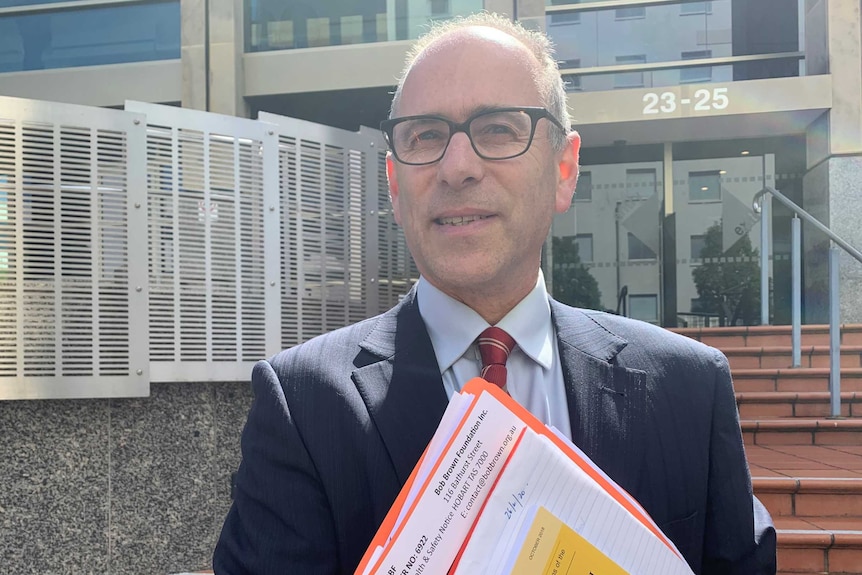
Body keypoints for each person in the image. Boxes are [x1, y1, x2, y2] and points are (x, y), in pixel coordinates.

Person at [213, 12, 776, 575]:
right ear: (394, 182)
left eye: (498, 129)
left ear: (564, 168)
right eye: (425, 135)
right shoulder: (303, 408)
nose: (456, 167)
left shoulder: (686, 390)